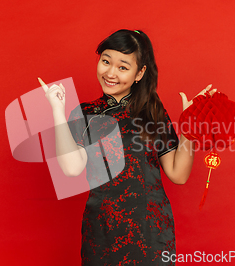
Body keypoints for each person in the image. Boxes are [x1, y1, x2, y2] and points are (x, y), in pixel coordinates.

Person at [40, 29, 216, 265]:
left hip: (151, 231)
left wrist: (189, 127)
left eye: (122, 67)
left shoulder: (154, 113)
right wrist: (56, 111)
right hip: (102, 231)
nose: (110, 73)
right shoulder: (86, 113)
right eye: (105, 62)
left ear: (139, 73)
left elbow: (178, 174)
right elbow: (72, 168)